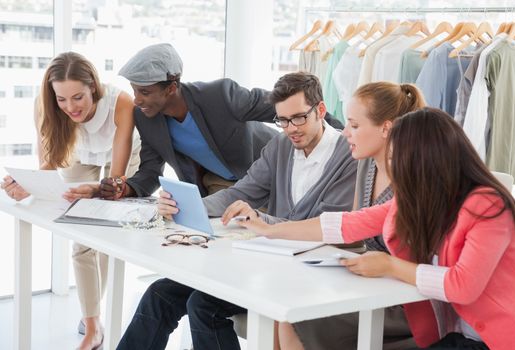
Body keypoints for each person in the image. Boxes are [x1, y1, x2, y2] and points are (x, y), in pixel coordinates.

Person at [240, 108, 515, 350]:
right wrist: (270, 229)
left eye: (396, 158)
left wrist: (389, 265)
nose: (393, 167)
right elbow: (348, 224)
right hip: (453, 333)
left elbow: (462, 286)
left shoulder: (486, 204)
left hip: (492, 340)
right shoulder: (426, 198)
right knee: (292, 322)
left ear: (425, 159)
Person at [116, 72, 358, 350]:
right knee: (160, 294)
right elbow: (242, 191)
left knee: (204, 305)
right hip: (269, 261)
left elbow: (325, 227)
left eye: (299, 118)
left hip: (306, 273)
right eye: (282, 120)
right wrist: (186, 206)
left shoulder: (347, 156)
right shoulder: (280, 144)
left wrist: (259, 220)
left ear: (321, 111)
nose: (291, 128)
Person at [1, 52, 140, 350]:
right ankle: (93, 326)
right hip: (82, 152)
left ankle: (94, 313)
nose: (70, 107)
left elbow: (114, 184)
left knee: (106, 225)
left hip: (121, 160)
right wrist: (27, 187)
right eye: (61, 100)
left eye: (77, 97)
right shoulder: (48, 105)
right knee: (82, 238)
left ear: (93, 87)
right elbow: (48, 169)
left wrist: (98, 192)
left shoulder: (121, 103)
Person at [278, 81, 427, 350]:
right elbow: (354, 232)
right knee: (286, 308)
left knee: (295, 316)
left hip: (406, 298)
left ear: (386, 128)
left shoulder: (415, 181)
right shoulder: (366, 164)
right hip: (370, 284)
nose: (345, 132)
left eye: (355, 126)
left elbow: (422, 265)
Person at [99, 43, 344, 200]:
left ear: (171, 87)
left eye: (144, 92)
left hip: (265, 173)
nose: (137, 100)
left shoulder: (220, 96)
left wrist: (343, 137)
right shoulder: (146, 118)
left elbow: (284, 104)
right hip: (218, 185)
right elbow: (150, 173)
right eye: (134, 91)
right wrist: (126, 188)